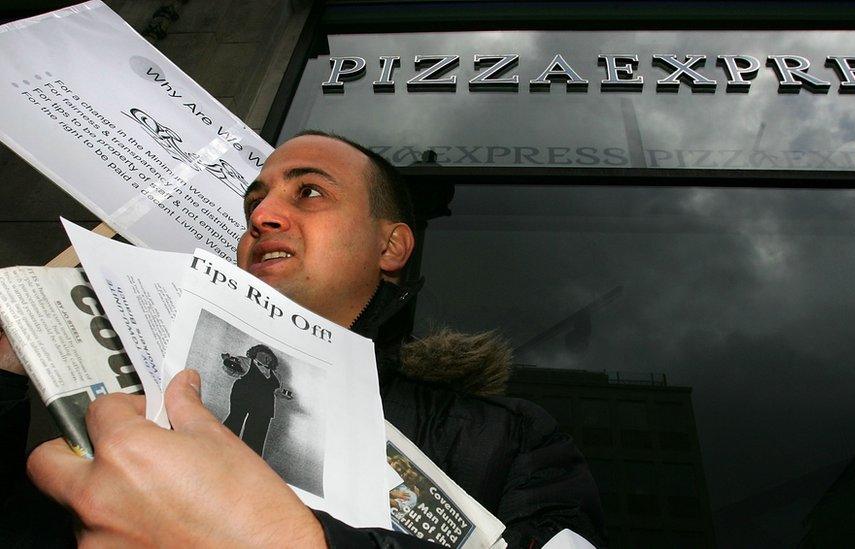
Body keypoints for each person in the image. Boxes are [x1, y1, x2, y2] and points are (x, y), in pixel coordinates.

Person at [0, 131, 606, 547]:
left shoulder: (507, 436)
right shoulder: (139, 402)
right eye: (254, 203)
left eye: (309, 192)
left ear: (390, 247)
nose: (262, 217)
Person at [221, 344, 283, 456]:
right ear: (255, 353)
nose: (267, 357)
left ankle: (248, 462)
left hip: (264, 405)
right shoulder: (246, 362)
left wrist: (282, 394)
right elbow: (231, 369)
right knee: (235, 422)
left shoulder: (276, 375)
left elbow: (276, 390)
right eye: (263, 354)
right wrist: (227, 360)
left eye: (269, 356)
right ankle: (220, 450)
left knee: (256, 435)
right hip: (244, 396)